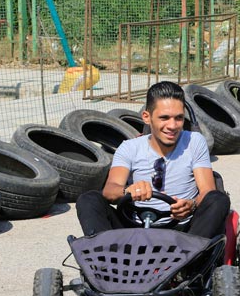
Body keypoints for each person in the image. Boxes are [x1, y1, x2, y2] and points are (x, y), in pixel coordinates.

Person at [76, 81, 230, 239]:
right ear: (146, 117)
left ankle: (194, 257)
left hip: (182, 231)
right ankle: (106, 257)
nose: (172, 126)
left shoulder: (194, 141)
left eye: (179, 118)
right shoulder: (129, 147)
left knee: (218, 199)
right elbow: (110, 190)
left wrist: (191, 205)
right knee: (88, 199)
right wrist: (128, 191)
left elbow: (207, 190)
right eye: (164, 118)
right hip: (135, 227)